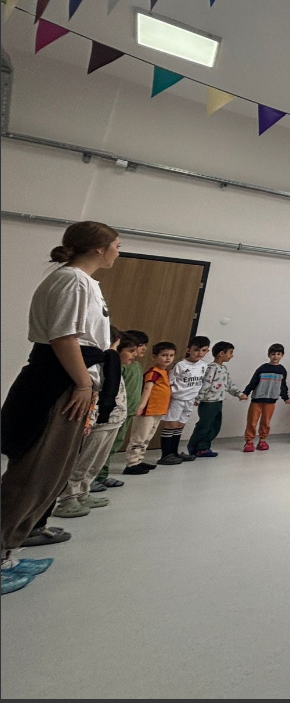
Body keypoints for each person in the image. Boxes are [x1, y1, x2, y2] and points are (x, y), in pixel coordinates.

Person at [1, 221, 120, 594]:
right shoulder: (72, 281)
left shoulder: (84, 282)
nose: (118, 252)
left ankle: (10, 551)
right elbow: (63, 337)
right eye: (116, 245)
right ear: (99, 248)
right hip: (58, 383)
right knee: (34, 472)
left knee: (51, 472)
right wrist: (83, 383)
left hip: (70, 380)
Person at [53, 327, 130, 518]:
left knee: (95, 463)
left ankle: (83, 493)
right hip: (98, 422)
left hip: (114, 420)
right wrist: (91, 420)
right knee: (82, 462)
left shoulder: (112, 363)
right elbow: (94, 393)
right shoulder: (95, 362)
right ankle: (68, 499)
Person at [94, 329, 148, 489]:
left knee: (114, 445)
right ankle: (92, 477)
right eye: (132, 350)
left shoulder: (134, 366)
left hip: (126, 412)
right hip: (110, 414)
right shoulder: (114, 367)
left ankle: (101, 475)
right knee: (102, 446)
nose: (137, 353)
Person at [122, 342, 174, 475]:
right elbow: (147, 388)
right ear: (154, 357)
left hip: (158, 410)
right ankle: (132, 463)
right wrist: (141, 406)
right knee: (139, 437)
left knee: (147, 437)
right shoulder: (153, 373)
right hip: (148, 411)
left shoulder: (165, 372)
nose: (168, 358)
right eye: (164, 355)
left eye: (171, 355)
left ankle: (139, 460)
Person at [186, 341, 246, 457]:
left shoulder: (223, 368)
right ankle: (194, 446)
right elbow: (206, 384)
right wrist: (199, 398)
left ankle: (203, 447)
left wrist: (239, 394)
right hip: (208, 403)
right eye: (230, 353)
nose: (232, 356)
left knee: (214, 426)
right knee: (204, 425)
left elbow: (228, 384)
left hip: (218, 402)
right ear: (221, 354)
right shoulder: (211, 368)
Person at [158, 336, 209, 466]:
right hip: (177, 399)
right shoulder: (180, 365)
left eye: (203, 350)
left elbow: (200, 383)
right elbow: (170, 382)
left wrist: (197, 397)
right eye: (196, 350)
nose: (199, 353)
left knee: (180, 425)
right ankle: (166, 455)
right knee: (171, 424)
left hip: (190, 400)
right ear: (188, 350)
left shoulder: (204, 365)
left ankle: (174, 453)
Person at [242, 344, 289, 452]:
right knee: (252, 421)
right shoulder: (262, 368)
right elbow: (253, 382)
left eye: (278, 354)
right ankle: (249, 442)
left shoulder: (282, 370)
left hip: (271, 400)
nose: (275, 356)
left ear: (282, 355)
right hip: (257, 400)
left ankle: (262, 440)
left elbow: (283, 386)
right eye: (273, 354)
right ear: (268, 355)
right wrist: (246, 393)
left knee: (266, 421)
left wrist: (285, 398)